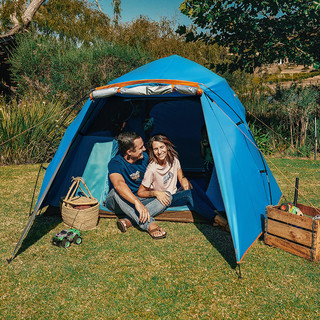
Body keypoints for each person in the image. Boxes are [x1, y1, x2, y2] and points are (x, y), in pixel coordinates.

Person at [137, 134, 229, 229]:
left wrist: (184, 179)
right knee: (189, 194)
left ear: (167, 147)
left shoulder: (174, 160)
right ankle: (219, 220)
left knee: (193, 184)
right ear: (152, 151)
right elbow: (140, 192)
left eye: (161, 147)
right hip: (163, 200)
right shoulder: (152, 168)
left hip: (175, 194)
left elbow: (181, 178)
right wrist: (156, 193)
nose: (159, 152)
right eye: (155, 149)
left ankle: (214, 212)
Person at [104, 132, 171, 239]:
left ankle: (129, 220)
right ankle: (150, 224)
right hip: (118, 202)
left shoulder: (145, 158)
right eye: (140, 148)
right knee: (116, 191)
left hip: (140, 198)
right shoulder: (115, 163)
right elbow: (119, 184)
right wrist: (137, 203)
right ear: (129, 152)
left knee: (167, 195)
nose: (144, 149)